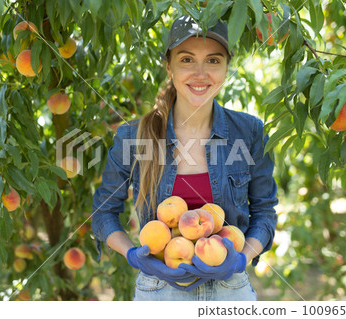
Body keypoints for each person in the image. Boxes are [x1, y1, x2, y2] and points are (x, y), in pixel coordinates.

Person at [91, 15, 278, 301]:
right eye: (187, 60)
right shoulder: (134, 136)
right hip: (158, 292)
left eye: (213, 61)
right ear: (169, 66)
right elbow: (103, 213)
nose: (200, 74)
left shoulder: (250, 132)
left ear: (227, 67)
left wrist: (241, 259)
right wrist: (134, 255)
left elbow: (264, 213)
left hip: (230, 292)